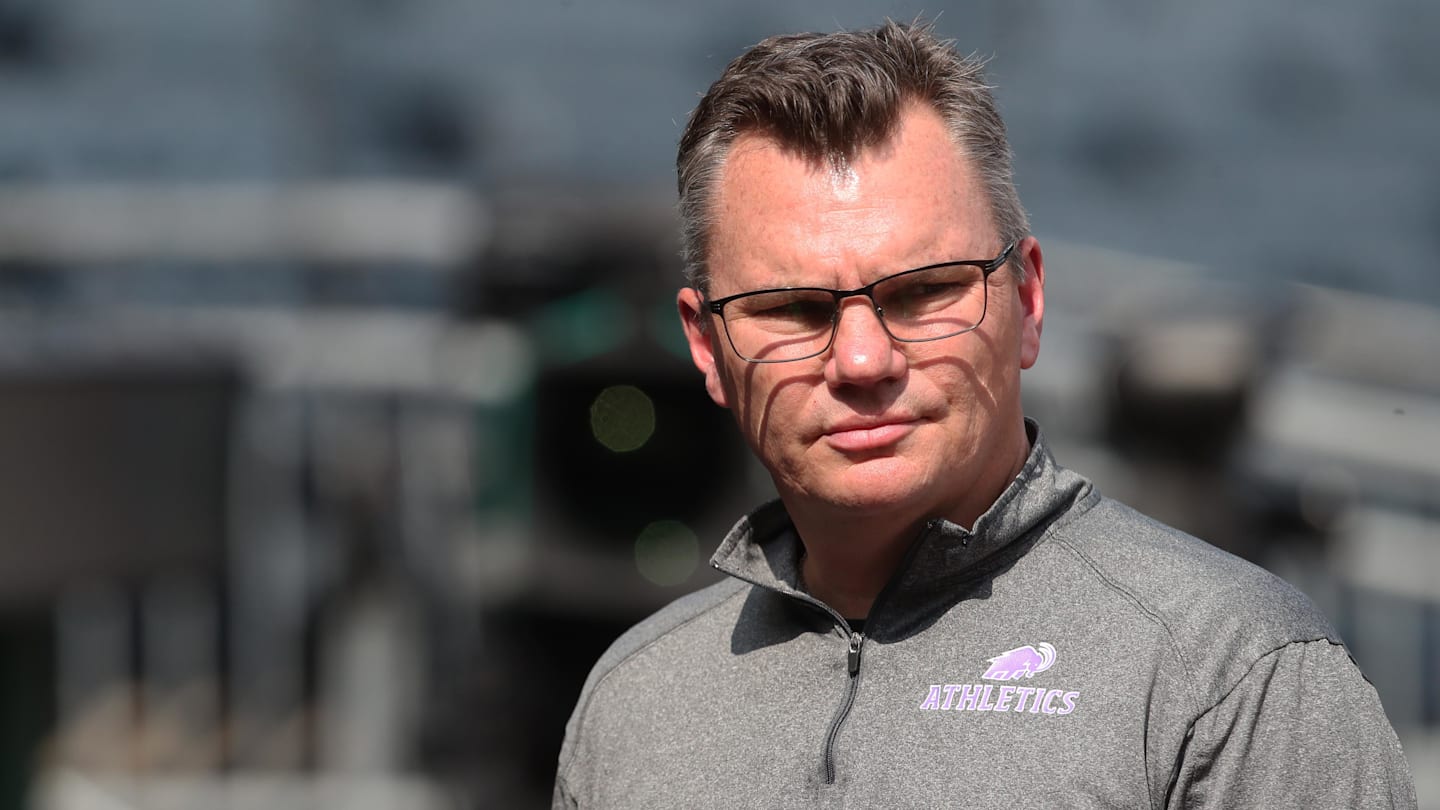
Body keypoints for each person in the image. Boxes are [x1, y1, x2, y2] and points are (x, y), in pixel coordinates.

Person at [552, 19, 1416, 809]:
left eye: (925, 293)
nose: (861, 361)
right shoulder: (634, 701)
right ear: (707, 348)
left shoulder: (1232, 676)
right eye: (794, 309)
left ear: (1028, 300)